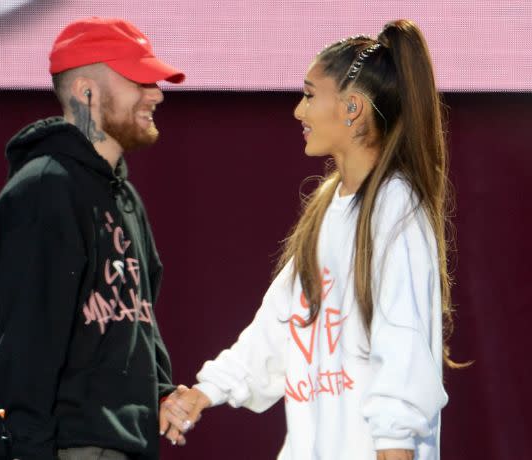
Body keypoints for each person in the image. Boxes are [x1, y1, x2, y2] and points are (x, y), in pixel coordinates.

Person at [159, 19, 463, 460]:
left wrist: (394, 446)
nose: (299, 112)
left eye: (308, 95)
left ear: (352, 108)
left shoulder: (396, 207)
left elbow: (403, 347)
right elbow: (279, 327)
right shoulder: (328, 208)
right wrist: (206, 391)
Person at [0, 17, 185, 460]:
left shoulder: (124, 196)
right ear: (86, 92)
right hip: (65, 448)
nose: (157, 93)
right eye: (140, 80)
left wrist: (160, 392)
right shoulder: (44, 191)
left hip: (122, 445)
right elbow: (23, 350)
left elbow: (136, 316)